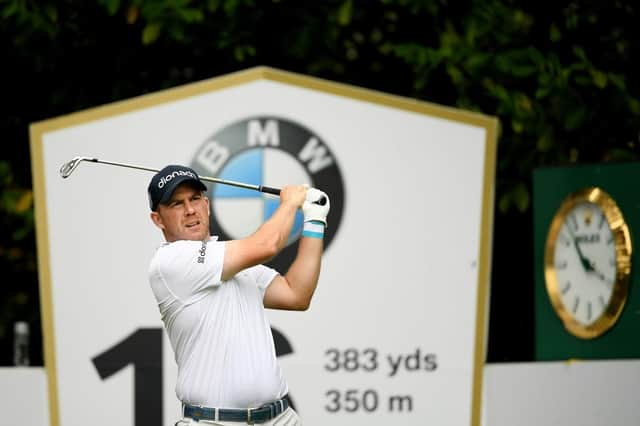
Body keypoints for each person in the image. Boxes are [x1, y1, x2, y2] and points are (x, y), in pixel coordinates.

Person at [146, 165, 330, 425]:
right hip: (215, 421)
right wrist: (290, 203)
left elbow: (296, 294)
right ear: (158, 220)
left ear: (206, 204)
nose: (190, 210)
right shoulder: (169, 262)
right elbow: (267, 244)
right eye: (176, 204)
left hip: (280, 418)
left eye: (195, 199)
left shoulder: (231, 261)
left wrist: (315, 221)